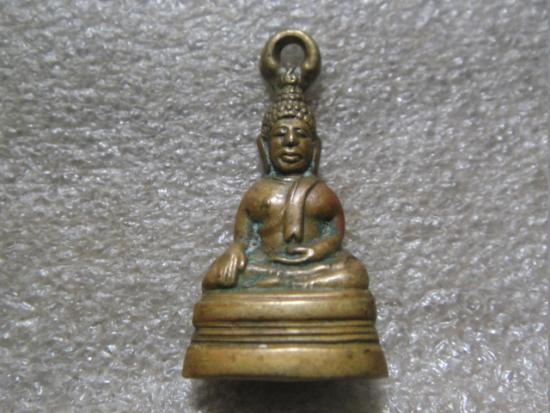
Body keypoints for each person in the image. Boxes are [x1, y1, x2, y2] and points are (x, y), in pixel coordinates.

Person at [202, 72, 369, 290]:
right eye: (281, 134)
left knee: (354, 272)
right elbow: (242, 239)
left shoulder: (321, 193)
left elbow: (335, 235)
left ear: (315, 147)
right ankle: (296, 284)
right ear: (264, 146)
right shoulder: (257, 193)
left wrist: (316, 251)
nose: (291, 141)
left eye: (301, 134)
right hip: (265, 263)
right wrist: (235, 251)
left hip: (314, 266)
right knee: (216, 276)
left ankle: (299, 283)